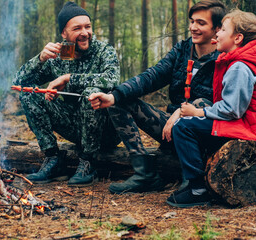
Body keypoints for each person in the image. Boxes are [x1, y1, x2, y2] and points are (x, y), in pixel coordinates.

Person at [89, 0, 226, 194]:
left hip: (205, 133)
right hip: (170, 127)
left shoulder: (224, 58)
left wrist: (180, 113)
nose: (193, 27)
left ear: (217, 28)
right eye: (192, 21)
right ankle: (144, 174)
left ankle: (193, 178)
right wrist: (113, 96)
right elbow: (152, 76)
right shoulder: (182, 50)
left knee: (201, 103)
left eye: (201, 23)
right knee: (119, 100)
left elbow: (217, 105)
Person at [167, 10, 256, 207]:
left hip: (249, 130)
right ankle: (197, 180)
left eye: (223, 30)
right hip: (247, 126)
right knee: (193, 127)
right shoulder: (236, 60)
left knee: (184, 126)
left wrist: (199, 112)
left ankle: (197, 189)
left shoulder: (240, 66)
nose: (217, 34)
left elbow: (233, 109)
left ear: (238, 38)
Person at [13, 2, 120, 187]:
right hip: (75, 127)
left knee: (91, 93)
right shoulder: (62, 53)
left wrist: (69, 78)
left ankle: (88, 162)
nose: (84, 33)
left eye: (88, 27)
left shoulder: (103, 51)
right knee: (29, 94)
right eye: (77, 28)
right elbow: (20, 83)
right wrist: (39, 59)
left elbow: (112, 79)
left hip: (106, 131)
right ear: (64, 33)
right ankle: (53, 158)